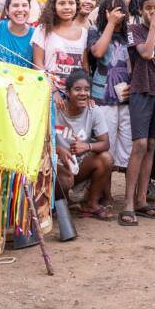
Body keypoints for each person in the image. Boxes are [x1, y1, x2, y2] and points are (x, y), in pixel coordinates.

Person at [120, 0, 155, 225]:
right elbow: (146, 53)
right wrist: (152, 27)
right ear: (140, 10)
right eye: (148, 8)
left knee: (152, 145)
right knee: (140, 144)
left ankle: (142, 200)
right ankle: (128, 204)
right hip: (141, 91)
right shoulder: (134, 31)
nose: (153, 11)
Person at [88, 0, 132, 206]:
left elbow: (134, 61)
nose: (116, 13)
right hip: (102, 95)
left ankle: (130, 195)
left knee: (127, 145)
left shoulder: (130, 34)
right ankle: (105, 194)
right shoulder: (95, 32)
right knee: (107, 146)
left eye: (120, 9)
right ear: (104, 12)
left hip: (126, 96)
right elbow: (98, 52)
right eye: (111, 9)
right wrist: (110, 25)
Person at [55, 70, 114, 221]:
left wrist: (86, 147)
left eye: (87, 89)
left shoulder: (93, 110)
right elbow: (39, 140)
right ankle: (59, 203)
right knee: (65, 180)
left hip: (78, 165)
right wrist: (57, 149)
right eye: (77, 89)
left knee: (105, 159)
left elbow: (105, 143)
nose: (83, 93)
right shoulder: (55, 109)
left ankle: (91, 204)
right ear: (67, 93)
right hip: (56, 165)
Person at [32, 0, 88, 103]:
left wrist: (84, 93)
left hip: (76, 97)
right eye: (62, 3)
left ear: (77, 6)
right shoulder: (43, 30)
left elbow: (85, 67)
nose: (67, 7)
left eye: (71, 3)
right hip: (49, 94)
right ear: (54, 7)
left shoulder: (84, 33)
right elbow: (38, 64)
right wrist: (53, 91)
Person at [0, 0, 34, 66]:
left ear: (29, 9)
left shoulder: (36, 36)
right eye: (15, 5)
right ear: (7, 10)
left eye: (24, 5)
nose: (20, 9)